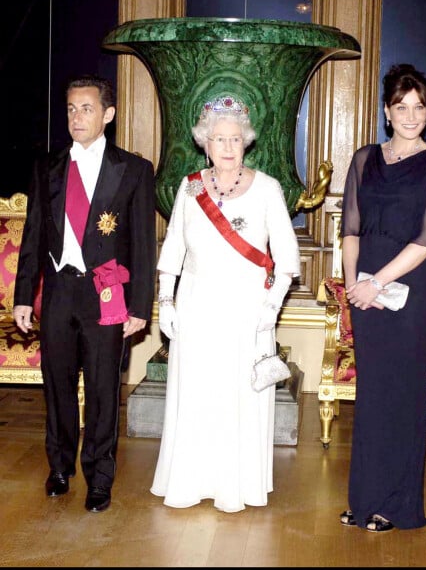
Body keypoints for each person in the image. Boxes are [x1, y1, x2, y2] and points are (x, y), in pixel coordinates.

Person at [13, 74, 157, 513]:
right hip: (58, 293)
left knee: (101, 389)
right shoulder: (49, 167)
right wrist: (23, 295)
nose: (78, 117)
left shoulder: (132, 169)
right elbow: (34, 233)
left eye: (87, 109)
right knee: (55, 385)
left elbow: (143, 243)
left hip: (107, 295)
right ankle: (59, 466)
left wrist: (139, 307)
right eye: (72, 109)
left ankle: (99, 475)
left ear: (108, 115)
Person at [150, 95, 301, 512]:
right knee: (198, 392)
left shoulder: (268, 188)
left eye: (236, 138)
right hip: (197, 303)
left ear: (246, 141)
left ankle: (236, 486)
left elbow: (286, 260)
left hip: (248, 308)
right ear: (205, 142)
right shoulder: (190, 186)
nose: (228, 147)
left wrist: (270, 309)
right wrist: (166, 299)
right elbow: (174, 246)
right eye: (220, 139)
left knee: (239, 394)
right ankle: (192, 481)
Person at [339, 64, 426, 532]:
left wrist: (377, 282)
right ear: (387, 112)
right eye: (401, 107)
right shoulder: (364, 158)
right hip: (365, 293)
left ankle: (396, 505)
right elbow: (350, 227)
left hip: (407, 296)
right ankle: (363, 498)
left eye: (419, 107)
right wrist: (356, 285)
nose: (410, 115)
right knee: (371, 397)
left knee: (403, 398)